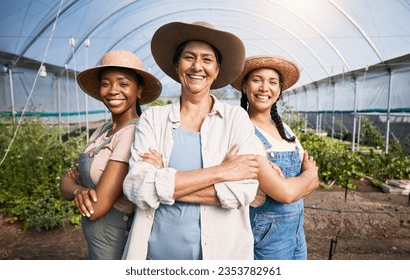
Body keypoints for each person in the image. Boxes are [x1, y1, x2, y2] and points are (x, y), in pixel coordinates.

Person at [122, 21, 259, 260]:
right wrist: (222, 171)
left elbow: (244, 190)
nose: (197, 66)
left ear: (216, 71)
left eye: (207, 59)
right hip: (157, 256)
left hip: (222, 256)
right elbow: (137, 188)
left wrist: (162, 180)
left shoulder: (236, 118)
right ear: (177, 66)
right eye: (189, 57)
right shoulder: (153, 119)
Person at [59, 50, 162, 259]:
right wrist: (79, 191)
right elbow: (65, 185)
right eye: (106, 83)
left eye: (123, 84)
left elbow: (97, 208)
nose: (113, 90)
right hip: (96, 238)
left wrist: (76, 188)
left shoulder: (133, 133)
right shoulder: (103, 130)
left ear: (139, 90)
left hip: (115, 238)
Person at [231, 54, 319, 260]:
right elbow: (286, 194)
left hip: (297, 230)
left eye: (272, 82)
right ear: (245, 86)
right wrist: (306, 177)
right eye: (257, 80)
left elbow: (314, 182)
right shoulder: (244, 132)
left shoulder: (285, 130)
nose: (264, 88)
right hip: (267, 234)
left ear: (279, 90)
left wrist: (294, 183)